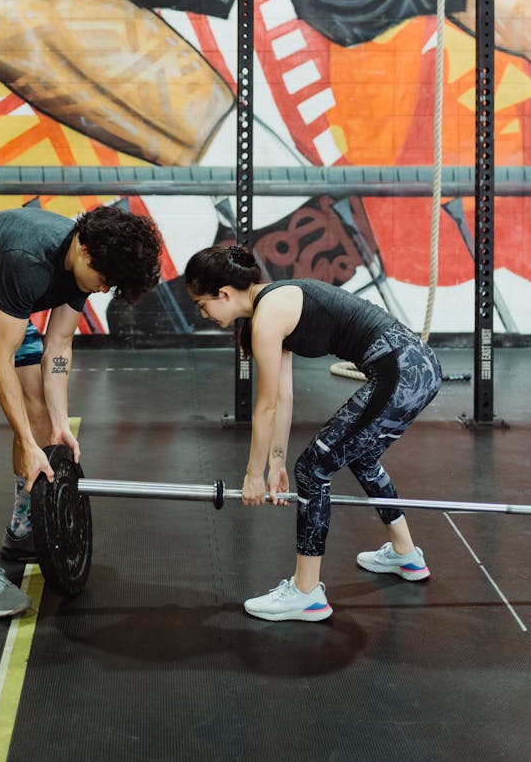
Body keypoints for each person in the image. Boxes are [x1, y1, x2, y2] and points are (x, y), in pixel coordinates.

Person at [0, 203, 162, 618]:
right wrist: (26, 442)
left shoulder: (86, 258)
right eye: (103, 281)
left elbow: (59, 346)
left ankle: (21, 532)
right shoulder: (29, 260)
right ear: (84, 254)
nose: (102, 290)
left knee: (43, 416)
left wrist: (59, 423)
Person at [184, 244, 442, 623]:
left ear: (223, 293)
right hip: (419, 368)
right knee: (359, 457)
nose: (203, 312)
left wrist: (253, 475)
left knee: (313, 469)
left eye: (202, 304)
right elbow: (283, 398)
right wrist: (275, 464)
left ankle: (306, 593)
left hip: (401, 371)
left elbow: (266, 407)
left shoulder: (268, 315)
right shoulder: (272, 305)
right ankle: (405, 552)